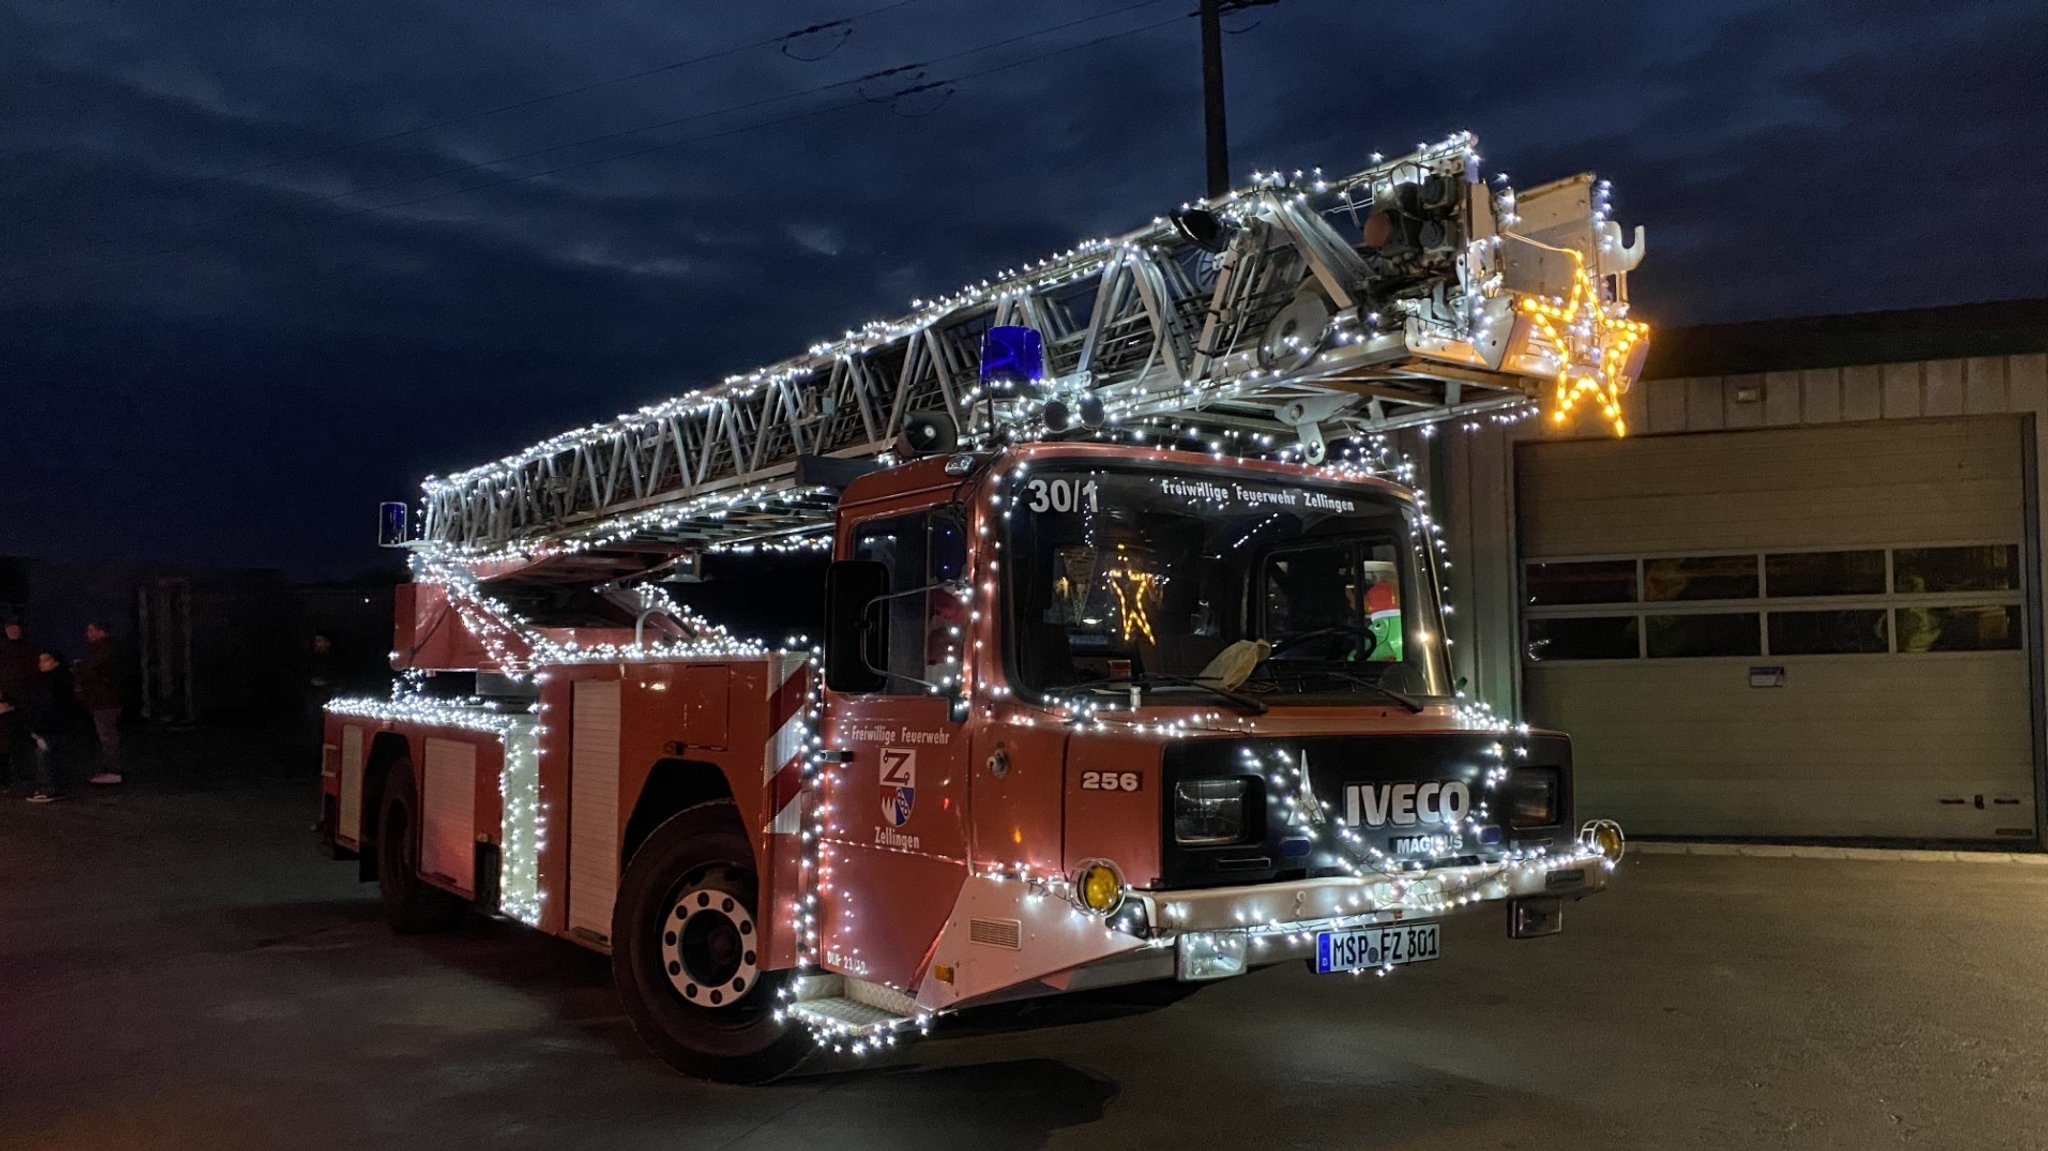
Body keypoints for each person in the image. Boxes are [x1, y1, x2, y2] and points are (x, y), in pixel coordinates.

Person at [28, 649, 87, 803]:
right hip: (62, 725)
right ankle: (59, 788)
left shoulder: (50, 682)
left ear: (55, 662)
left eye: (45, 660)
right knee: (59, 757)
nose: (40, 664)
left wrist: (37, 727)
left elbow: (46, 706)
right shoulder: (64, 679)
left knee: (45, 757)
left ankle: (49, 789)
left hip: (49, 727)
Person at [76, 621, 123, 786]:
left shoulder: (105, 649)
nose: (87, 634)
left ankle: (113, 770)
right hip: (104, 699)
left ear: (101, 631)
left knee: (107, 735)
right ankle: (110, 768)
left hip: (104, 700)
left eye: (91, 630)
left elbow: (90, 669)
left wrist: (81, 671)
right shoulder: (106, 649)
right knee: (106, 734)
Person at [0, 619, 36, 791]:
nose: (14, 631)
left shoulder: (30, 648)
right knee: (4, 741)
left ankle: (25, 771)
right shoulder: (2, 649)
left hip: (27, 701)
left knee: (24, 739)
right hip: (6, 703)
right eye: (10, 628)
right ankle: (5, 777)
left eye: (17, 627)